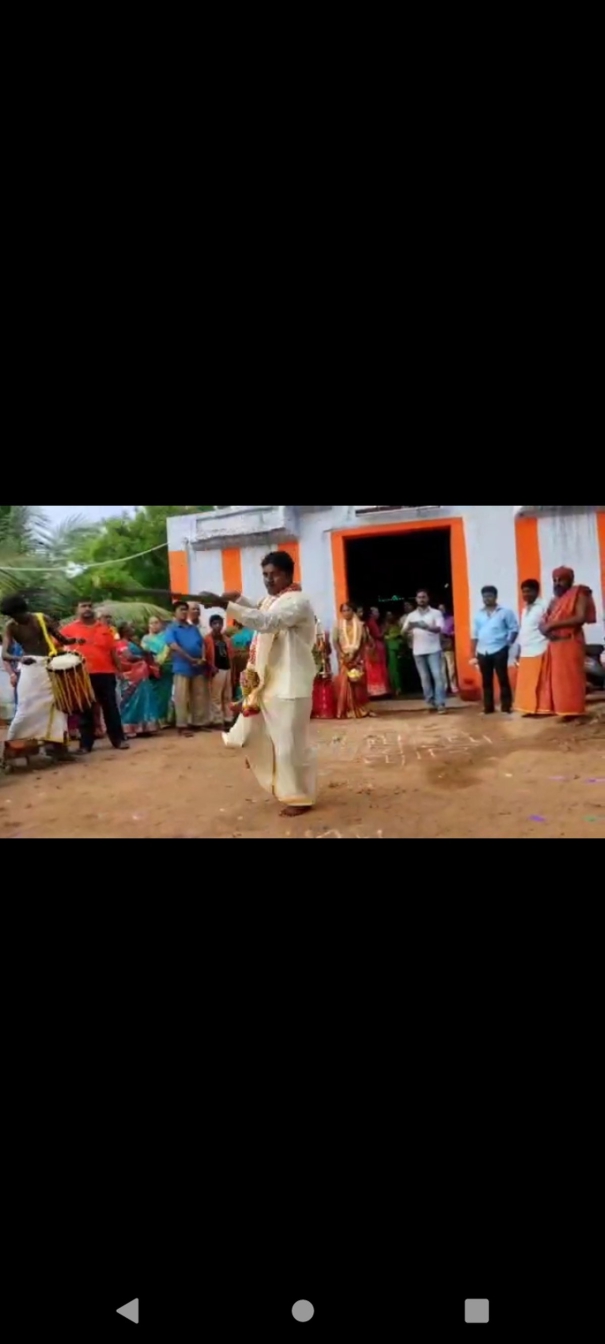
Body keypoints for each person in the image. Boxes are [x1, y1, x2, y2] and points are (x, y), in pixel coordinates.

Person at [199, 551, 317, 818]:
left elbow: (266, 622)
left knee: (290, 746)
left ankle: (300, 796)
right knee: (268, 738)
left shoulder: (297, 602)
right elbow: (259, 610)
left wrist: (224, 605)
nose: (268, 579)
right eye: (264, 575)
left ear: (288, 574)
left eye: (273, 574)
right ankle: (286, 786)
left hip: (291, 683)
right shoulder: (272, 600)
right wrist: (236, 599)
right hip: (270, 682)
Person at [1, 595, 82, 762]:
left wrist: (75, 641)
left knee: (56, 708)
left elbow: (62, 639)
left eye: (17, 614)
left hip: (50, 666)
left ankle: (58, 749)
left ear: (23, 610)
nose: (15, 618)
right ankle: (12, 750)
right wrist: (19, 659)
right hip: (30, 669)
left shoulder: (42, 618)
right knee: (26, 709)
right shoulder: (10, 626)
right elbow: (5, 654)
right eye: (12, 616)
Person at [62, 600, 129, 752]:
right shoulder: (68, 630)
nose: (87, 609)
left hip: (106, 673)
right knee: (85, 710)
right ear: (77, 609)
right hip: (81, 675)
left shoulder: (105, 628)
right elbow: (57, 647)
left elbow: (113, 652)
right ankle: (86, 744)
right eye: (83, 606)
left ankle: (118, 740)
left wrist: (119, 670)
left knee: (110, 708)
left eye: (89, 606)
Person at [536, 567, 597, 718]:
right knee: (558, 681)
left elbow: (580, 617)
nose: (557, 583)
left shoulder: (579, 592)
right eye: (555, 580)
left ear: (570, 580)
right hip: (555, 644)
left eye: (561, 580)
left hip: (571, 641)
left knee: (571, 678)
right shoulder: (554, 601)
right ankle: (563, 710)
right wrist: (544, 629)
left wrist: (552, 626)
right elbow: (545, 620)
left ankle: (574, 711)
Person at [165, 601, 212, 737]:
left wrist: (202, 657)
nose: (184, 612)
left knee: (199, 695)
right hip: (182, 666)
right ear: (175, 612)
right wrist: (189, 658)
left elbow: (201, 643)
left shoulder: (193, 628)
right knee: (181, 697)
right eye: (181, 609)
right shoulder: (172, 628)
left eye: (186, 610)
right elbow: (173, 645)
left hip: (198, 666)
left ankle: (199, 722)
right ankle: (182, 725)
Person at [470, 586, 519, 716]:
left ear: (495, 597)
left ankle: (506, 706)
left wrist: (508, 643)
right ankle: (488, 707)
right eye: (485, 596)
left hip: (500, 649)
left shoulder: (505, 612)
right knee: (486, 680)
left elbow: (513, 629)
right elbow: (474, 635)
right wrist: (472, 654)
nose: (487, 599)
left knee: (503, 678)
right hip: (482, 651)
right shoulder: (478, 614)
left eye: (490, 596)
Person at [403, 591, 447, 713]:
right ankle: (430, 703)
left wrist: (424, 626)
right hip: (418, 650)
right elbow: (403, 632)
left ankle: (440, 703)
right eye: (419, 597)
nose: (421, 599)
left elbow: (439, 629)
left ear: (428, 598)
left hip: (434, 649)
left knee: (438, 676)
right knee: (424, 678)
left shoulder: (436, 613)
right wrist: (409, 629)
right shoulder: (411, 615)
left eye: (424, 597)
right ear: (416, 599)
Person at [115, 622, 160, 738]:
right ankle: (129, 727)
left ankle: (144, 727)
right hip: (132, 676)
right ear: (124, 630)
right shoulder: (121, 643)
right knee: (131, 701)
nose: (133, 629)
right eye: (130, 627)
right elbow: (128, 657)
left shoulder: (132, 642)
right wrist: (143, 657)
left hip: (141, 675)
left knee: (144, 699)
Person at [514, 580, 549, 716]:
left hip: (540, 648)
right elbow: (523, 630)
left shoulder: (544, 605)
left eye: (529, 591)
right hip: (526, 650)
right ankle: (528, 709)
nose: (525, 594)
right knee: (527, 684)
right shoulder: (524, 610)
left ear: (536, 591)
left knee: (540, 682)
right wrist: (518, 648)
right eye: (523, 591)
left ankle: (542, 709)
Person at [333, 603, 370, 719]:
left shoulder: (360, 625)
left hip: (358, 657)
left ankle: (360, 709)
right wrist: (341, 654)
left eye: (348, 610)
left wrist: (358, 656)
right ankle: (347, 709)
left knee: (358, 683)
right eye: (343, 611)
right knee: (345, 683)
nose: (346, 613)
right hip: (344, 658)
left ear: (353, 611)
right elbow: (335, 641)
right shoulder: (338, 625)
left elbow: (364, 642)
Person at [142, 616, 174, 727]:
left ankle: (163, 718)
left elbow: (167, 650)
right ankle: (153, 720)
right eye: (152, 623)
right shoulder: (145, 638)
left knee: (164, 695)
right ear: (148, 625)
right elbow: (145, 652)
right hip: (151, 670)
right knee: (152, 694)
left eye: (156, 622)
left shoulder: (166, 637)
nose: (154, 625)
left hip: (166, 668)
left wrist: (159, 662)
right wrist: (153, 663)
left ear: (161, 624)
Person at [205, 615, 235, 731]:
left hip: (227, 669)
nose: (217, 626)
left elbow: (231, 656)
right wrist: (211, 667)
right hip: (216, 669)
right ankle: (217, 719)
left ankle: (228, 719)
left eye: (220, 624)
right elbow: (206, 656)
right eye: (215, 624)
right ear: (211, 625)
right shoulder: (207, 639)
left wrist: (233, 671)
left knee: (228, 695)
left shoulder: (227, 639)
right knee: (216, 696)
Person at [366, 607, 390, 698]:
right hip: (375, 647)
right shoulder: (371, 622)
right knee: (377, 668)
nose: (378, 613)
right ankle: (378, 691)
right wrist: (385, 629)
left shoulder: (370, 622)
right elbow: (378, 635)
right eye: (376, 612)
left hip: (373, 647)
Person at [384, 612, 406, 696]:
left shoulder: (396, 627)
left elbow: (400, 637)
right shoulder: (385, 626)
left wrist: (388, 637)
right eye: (388, 615)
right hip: (385, 650)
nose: (389, 617)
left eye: (391, 615)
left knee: (395, 670)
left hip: (394, 649)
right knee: (389, 670)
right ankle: (392, 688)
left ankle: (397, 688)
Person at [439, 604, 459, 696]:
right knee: (442, 669)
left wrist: (450, 633)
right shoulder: (436, 620)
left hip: (448, 645)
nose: (441, 610)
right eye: (439, 609)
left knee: (451, 668)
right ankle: (445, 686)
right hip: (438, 647)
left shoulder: (451, 619)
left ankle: (453, 685)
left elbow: (457, 630)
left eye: (443, 608)